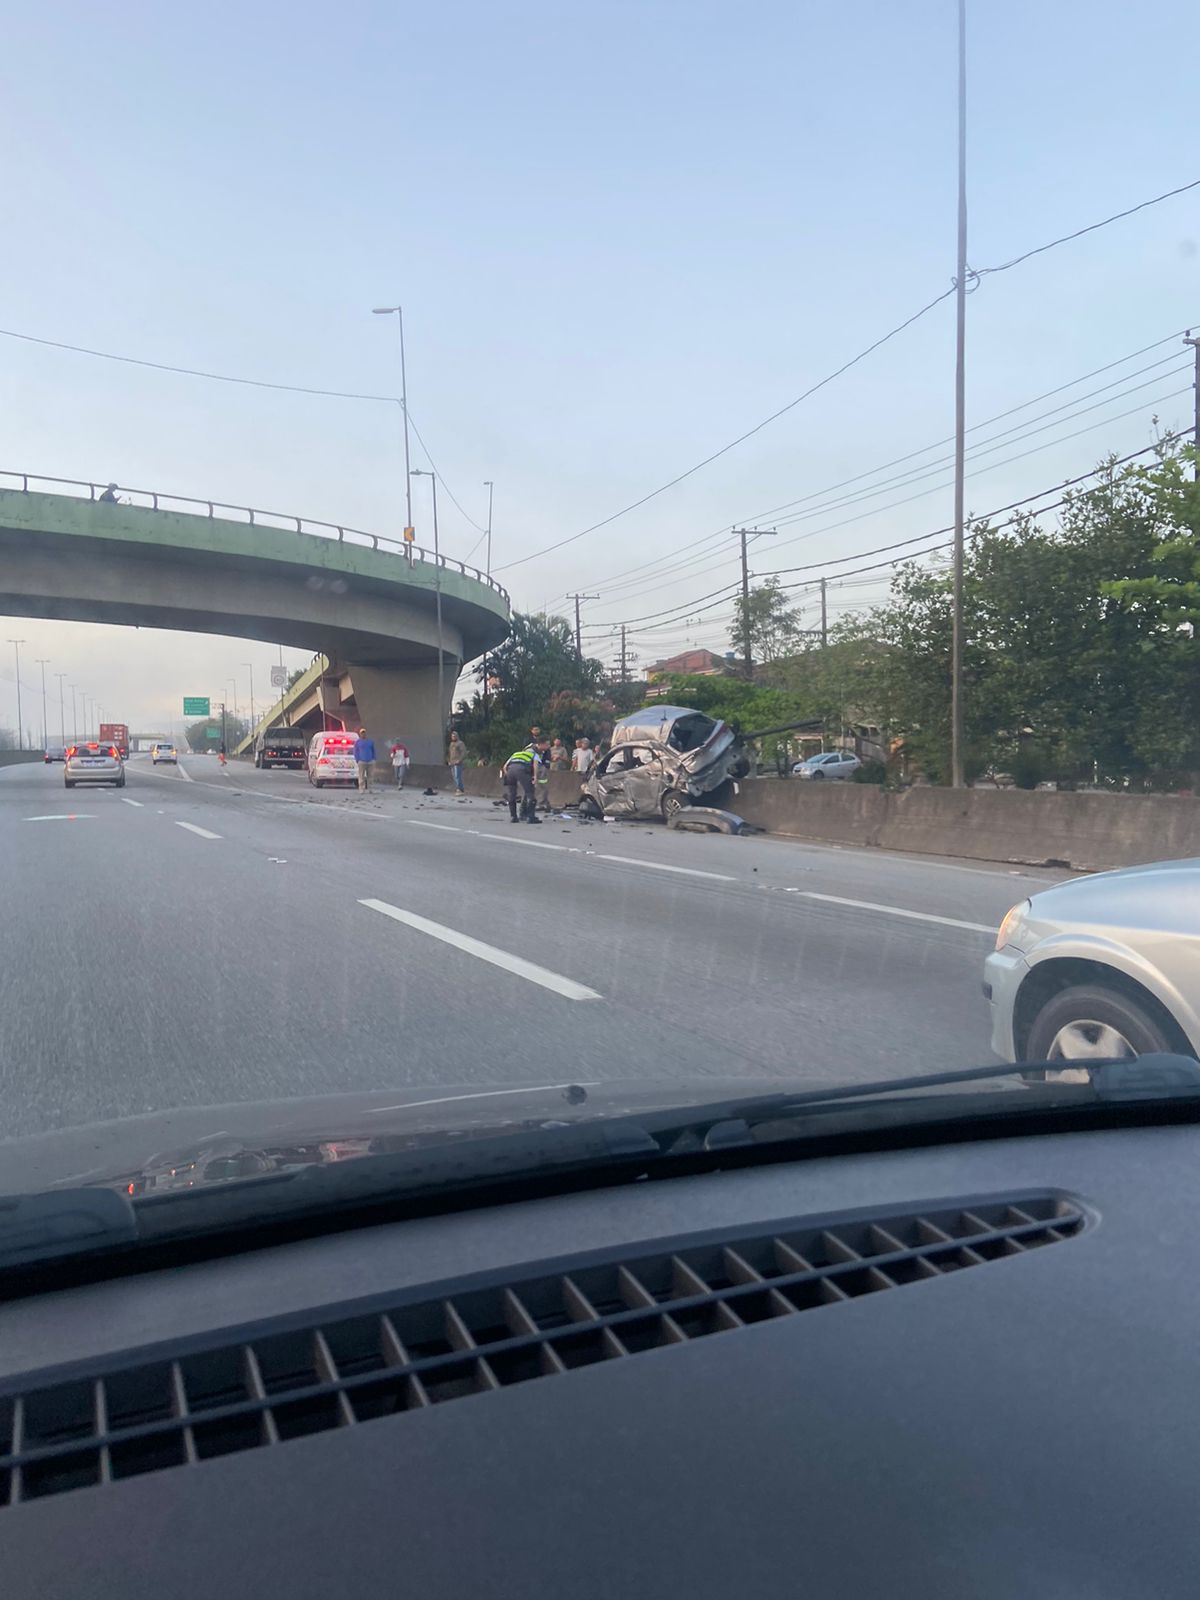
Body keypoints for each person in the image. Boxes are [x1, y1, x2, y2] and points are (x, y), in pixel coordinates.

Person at [503, 737, 548, 824]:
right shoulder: (534, 755)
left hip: (510, 771)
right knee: (530, 793)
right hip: (522, 770)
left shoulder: (515, 754)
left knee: (512, 794)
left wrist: (508, 775)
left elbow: (505, 766)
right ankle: (531, 818)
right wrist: (535, 777)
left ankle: (513, 817)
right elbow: (535, 766)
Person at [353, 726, 376, 791]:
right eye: (362, 733)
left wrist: (374, 759)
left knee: (370, 776)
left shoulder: (370, 741)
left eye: (364, 733)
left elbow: (373, 750)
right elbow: (355, 751)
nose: (363, 734)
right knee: (361, 775)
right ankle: (361, 788)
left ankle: (370, 788)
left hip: (370, 761)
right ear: (360, 734)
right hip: (361, 761)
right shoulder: (357, 742)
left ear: (366, 733)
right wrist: (357, 759)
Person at [447, 731, 467, 795]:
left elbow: (464, 753)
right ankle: (459, 789)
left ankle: (460, 789)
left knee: (457, 776)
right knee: (454, 776)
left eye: (454, 736)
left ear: (457, 736)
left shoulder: (460, 743)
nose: (453, 737)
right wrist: (449, 761)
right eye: (452, 736)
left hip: (458, 763)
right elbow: (450, 753)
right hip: (452, 762)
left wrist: (459, 760)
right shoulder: (451, 744)